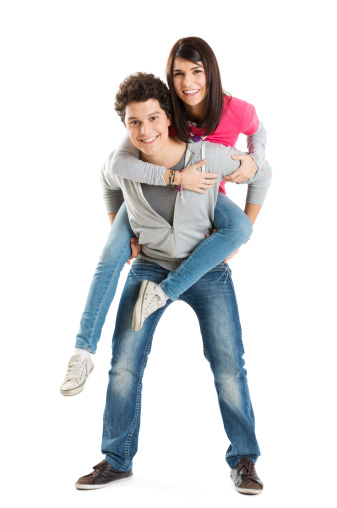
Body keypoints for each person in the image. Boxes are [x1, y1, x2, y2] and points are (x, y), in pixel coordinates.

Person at [74, 73, 270, 494]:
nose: (145, 130)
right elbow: (108, 182)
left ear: (169, 117)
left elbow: (263, 171)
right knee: (124, 365)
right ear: (125, 125)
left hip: (206, 270)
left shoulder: (204, 157)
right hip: (149, 267)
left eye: (154, 118)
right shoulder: (125, 163)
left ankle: (245, 459)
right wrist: (117, 228)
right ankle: (116, 459)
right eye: (134, 122)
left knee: (228, 367)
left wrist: (241, 230)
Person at [60, 36, 270, 396]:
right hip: (151, 197)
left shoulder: (234, 111)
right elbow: (118, 167)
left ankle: (165, 292)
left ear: (210, 73)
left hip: (205, 194)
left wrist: (255, 158)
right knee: (110, 254)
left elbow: (259, 139)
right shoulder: (157, 114)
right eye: (178, 73)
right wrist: (124, 223)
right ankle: (82, 350)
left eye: (196, 72)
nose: (188, 82)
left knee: (240, 226)